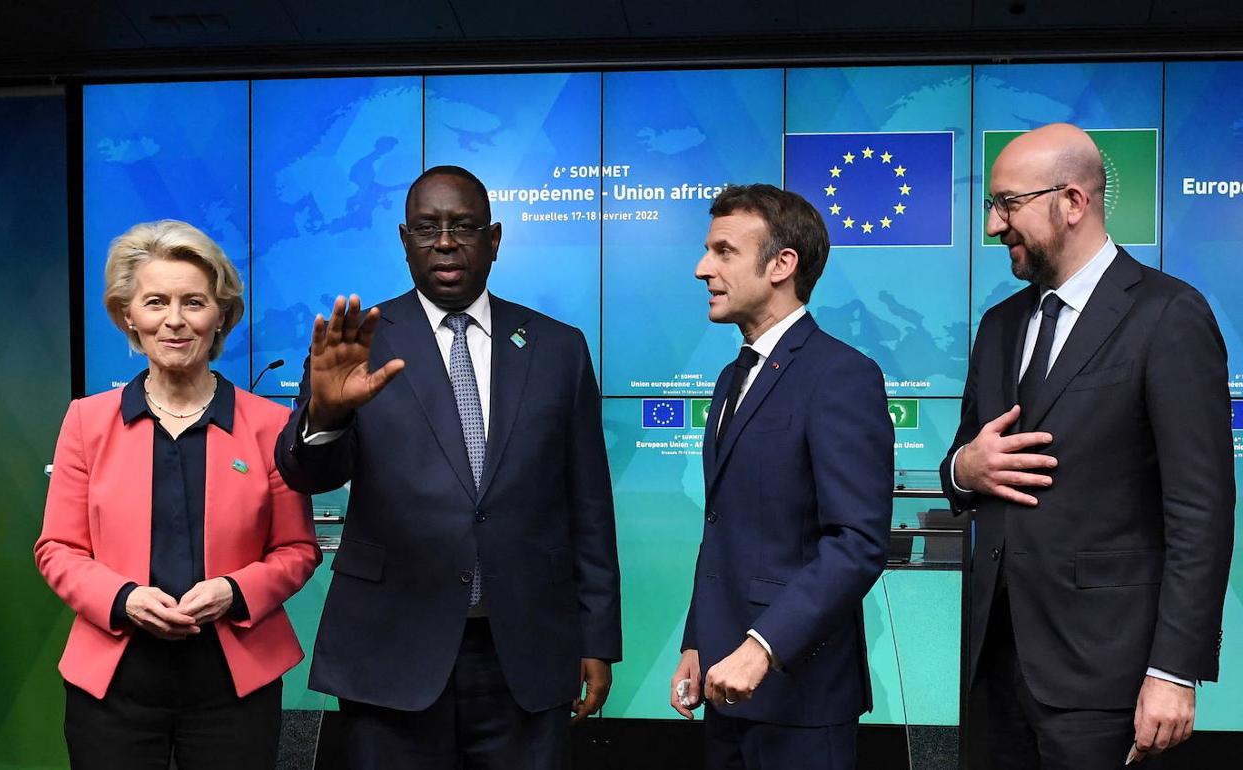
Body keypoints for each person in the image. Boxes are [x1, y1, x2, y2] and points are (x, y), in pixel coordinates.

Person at [274, 165, 622, 768]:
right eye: (428, 228)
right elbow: (310, 475)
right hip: (392, 649)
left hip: (526, 649)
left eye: (463, 226)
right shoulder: (357, 342)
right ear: (404, 240)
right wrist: (326, 413)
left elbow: (588, 503)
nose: (445, 241)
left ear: (494, 240)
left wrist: (596, 637)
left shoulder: (557, 348)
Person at [941, 123, 1234, 768]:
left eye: (1008, 204)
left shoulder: (1168, 315)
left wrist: (1174, 671)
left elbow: (1200, 513)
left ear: (1072, 202)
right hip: (994, 671)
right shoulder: (998, 325)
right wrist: (964, 469)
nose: (994, 226)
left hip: (1111, 680)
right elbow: (964, 456)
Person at [35, 220, 321, 769]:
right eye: (155, 302)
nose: (174, 320)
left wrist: (234, 591)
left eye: (194, 302)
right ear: (128, 316)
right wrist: (123, 599)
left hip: (234, 681)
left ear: (220, 316)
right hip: (114, 681)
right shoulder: (86, 422)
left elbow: (297, 550)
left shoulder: (268, 425)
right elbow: (57, 550)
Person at [670, 184, 894, 769]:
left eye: (723, 252)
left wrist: (763, 648)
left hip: (801, 698)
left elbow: (857, 544)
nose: (702, 269)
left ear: (781, 265)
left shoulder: (842, 376)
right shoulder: (729, 378)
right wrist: (698, 640)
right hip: (724, 688)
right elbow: (723, 527)